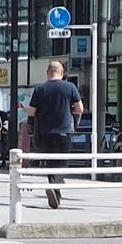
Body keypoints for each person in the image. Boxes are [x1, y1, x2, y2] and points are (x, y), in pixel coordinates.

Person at [26, 59, 83, 210]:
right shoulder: (70, 87)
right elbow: (80, 108)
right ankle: (55, 189)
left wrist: (31, 126)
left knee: (51, 163)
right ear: (62, 73)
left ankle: (55, 191)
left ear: (47, 73)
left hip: (45, 133)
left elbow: (31, 111)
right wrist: (74, 121)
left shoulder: (40, 89)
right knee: (60, 164)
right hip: (64, 132)